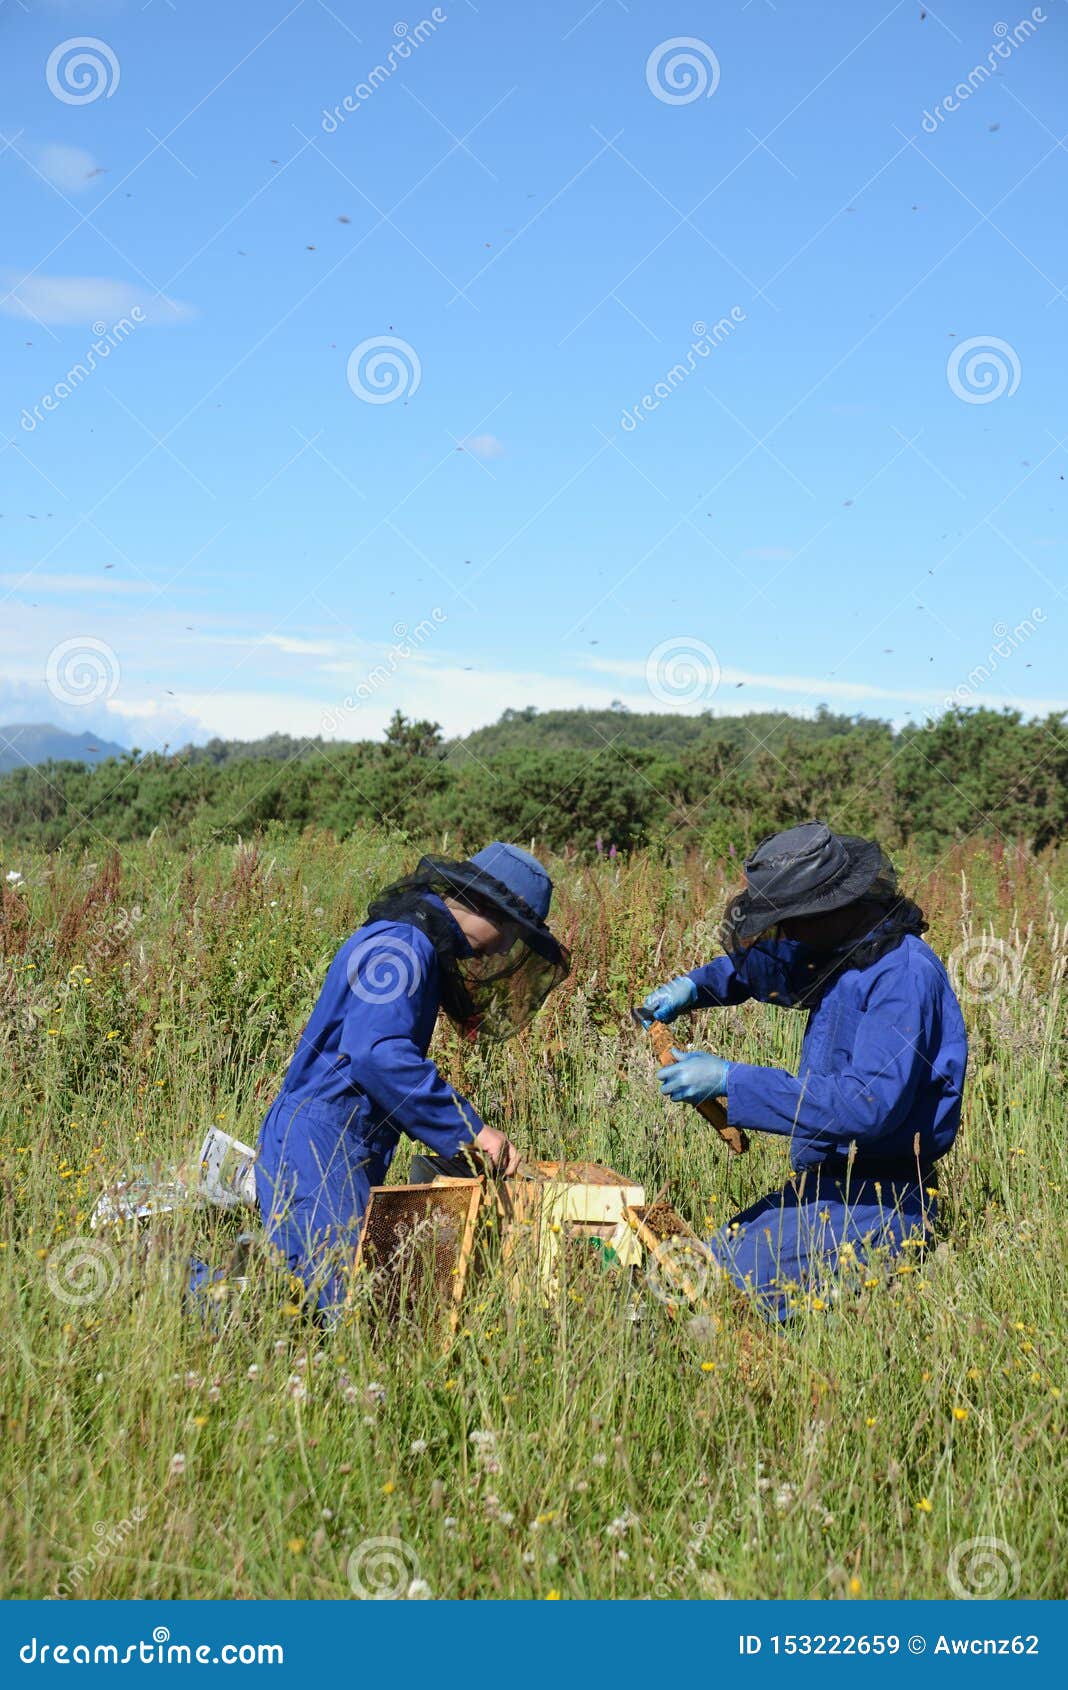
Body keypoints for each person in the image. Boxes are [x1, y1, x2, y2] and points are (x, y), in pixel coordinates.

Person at [639, 821, 967, 1321]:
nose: (786, 933)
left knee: (710, 1299)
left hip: (882, 1203)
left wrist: (731, 1080)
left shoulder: (902, 975)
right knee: (680, 1274)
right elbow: (762, 968)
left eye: (792, 919)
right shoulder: (838, 947)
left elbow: (865, 1105)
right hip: (822, 1190)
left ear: (833, 905)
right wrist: (692, 988)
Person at [256, 843, 569, 1314]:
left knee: (309, 1299)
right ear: (486, 907)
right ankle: (171, 1286)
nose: (508, 947)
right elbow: (378, 1054)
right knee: (334, 1307)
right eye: (513, 931)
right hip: (322, 1140)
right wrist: (472, 1132)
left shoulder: (409, 941)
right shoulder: (402, 946)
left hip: (340, 1138)